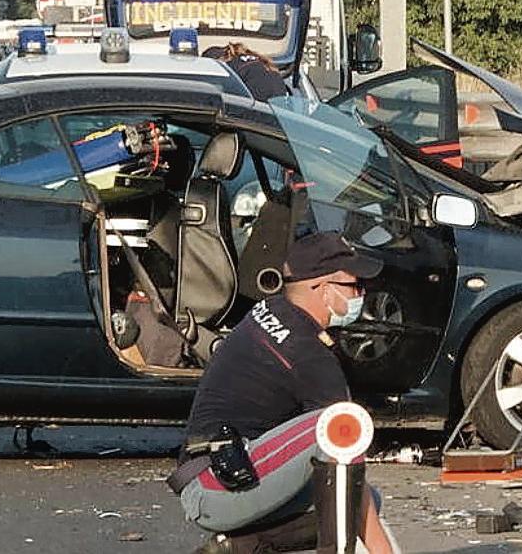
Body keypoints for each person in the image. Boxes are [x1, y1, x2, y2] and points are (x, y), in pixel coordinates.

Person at [169, 232, 399, 553]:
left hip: (213, 477)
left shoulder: (274, 310)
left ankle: (239, 546)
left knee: (361, 497)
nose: (362, 293)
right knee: (342, 428)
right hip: (216, 489)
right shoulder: (307, 353)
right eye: (354, 286)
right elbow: (347, 453)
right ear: (321, 287)